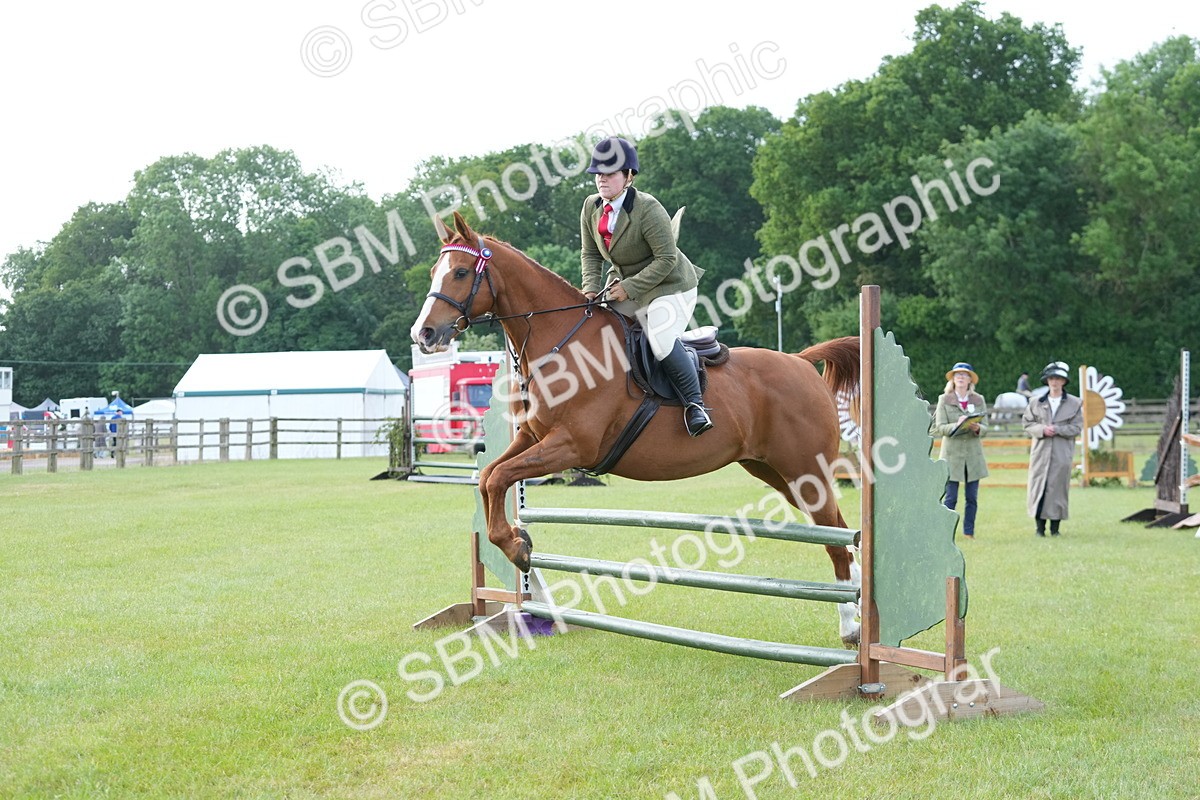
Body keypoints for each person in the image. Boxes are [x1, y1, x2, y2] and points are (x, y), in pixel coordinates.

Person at [580, 136, 712, 436]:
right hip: (627, 286)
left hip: (671, 285)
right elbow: (590, 254)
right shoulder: (590, 206)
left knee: (660, 337)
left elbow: (666, 259)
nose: (601, 178)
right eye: (598, 173)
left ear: (629, 176)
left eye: (610, 173)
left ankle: (695, 404)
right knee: (596, 329)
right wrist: (590, 288)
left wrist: (629, 288)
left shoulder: (648, 208)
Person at [1022, 361, 1083, 536]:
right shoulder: (1035, 402)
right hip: (1040, 453)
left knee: (1058, 489)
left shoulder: (1075, 403)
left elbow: (1077, 427)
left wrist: (1057, 430)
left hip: (1061, 453)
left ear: (1063, 381)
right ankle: (1039, 528)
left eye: (1058, 379)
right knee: (1038, 487)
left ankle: (1055, 529)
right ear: (1047, 381)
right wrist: (1042, 430)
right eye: (1051, 379)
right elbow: (1027, 424)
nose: (1054, 382)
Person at [930, 362, 989, 539]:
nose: (961, 377)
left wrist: (977, 428)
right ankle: (946, 534)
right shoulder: (944, 399)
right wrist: (957, 425)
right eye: (957, 374)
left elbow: (986, 427)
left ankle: (969, 533)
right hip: (951, 455)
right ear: (953, 379)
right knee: (950, 498)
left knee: (972, 498)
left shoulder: (978, 399)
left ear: (970, 379)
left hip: (973, 455)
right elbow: (939, 428)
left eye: (965, 375)